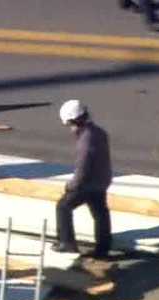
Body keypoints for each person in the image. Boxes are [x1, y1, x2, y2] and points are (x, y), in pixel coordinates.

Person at [53, 99, 114, 260]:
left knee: (63, 206)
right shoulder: (98, 132)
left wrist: (71, 186)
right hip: (102, 180)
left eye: (69, 124)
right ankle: (103, 248)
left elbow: (82, 169)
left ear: (74, 121)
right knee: (100, 212)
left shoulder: (85, 141)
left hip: (88, 184)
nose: (69, 128)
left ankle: (67, 244)